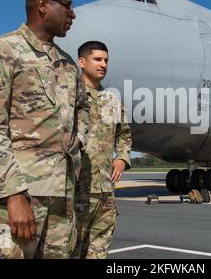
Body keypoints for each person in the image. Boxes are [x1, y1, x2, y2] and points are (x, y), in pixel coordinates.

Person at [0, 0, 90, 259]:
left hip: (62, 201)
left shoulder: (67, 63)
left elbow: (83, 107)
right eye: (67, 7)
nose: (73, 15)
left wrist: (79, 139)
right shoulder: (1, 50)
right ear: (43, 6)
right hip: (19, 200)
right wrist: (13, 195)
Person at [74, 41, 132, 259]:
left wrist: (122, 158)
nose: (103, 64)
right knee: (70, 248)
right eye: (97, 59)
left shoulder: (112, 99)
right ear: (82, 61)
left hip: (105, 190)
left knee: (99, 250)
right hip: (75, 188)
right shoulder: (70, 96)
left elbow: (124, 134)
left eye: (106, 60)